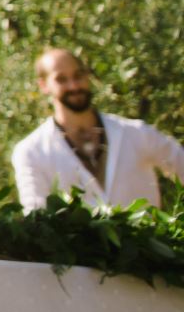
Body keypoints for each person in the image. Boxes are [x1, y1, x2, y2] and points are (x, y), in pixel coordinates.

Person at [10, 47, 184, 211]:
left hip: (147, 241)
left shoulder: (136, 133)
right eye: (61, 79)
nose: (73, 86)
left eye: (78, 76)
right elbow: (36, 217)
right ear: (43, 85)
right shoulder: (31, 152)